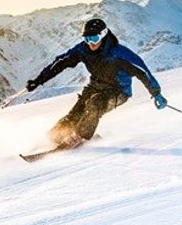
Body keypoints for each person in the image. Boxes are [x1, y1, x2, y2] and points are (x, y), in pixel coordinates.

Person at [25, 18, 167, 148]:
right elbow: (60, 63)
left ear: (103, 35)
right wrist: (38, 80)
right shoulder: (82, 50)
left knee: (95, 103)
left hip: (118, 91)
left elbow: (143, 72)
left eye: (94, 38)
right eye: (87, 39)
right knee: (74, 115)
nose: (91, 43)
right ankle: (55, 137)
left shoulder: (119, 53)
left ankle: (79, 138)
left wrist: (156, 93)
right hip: (94, 87)